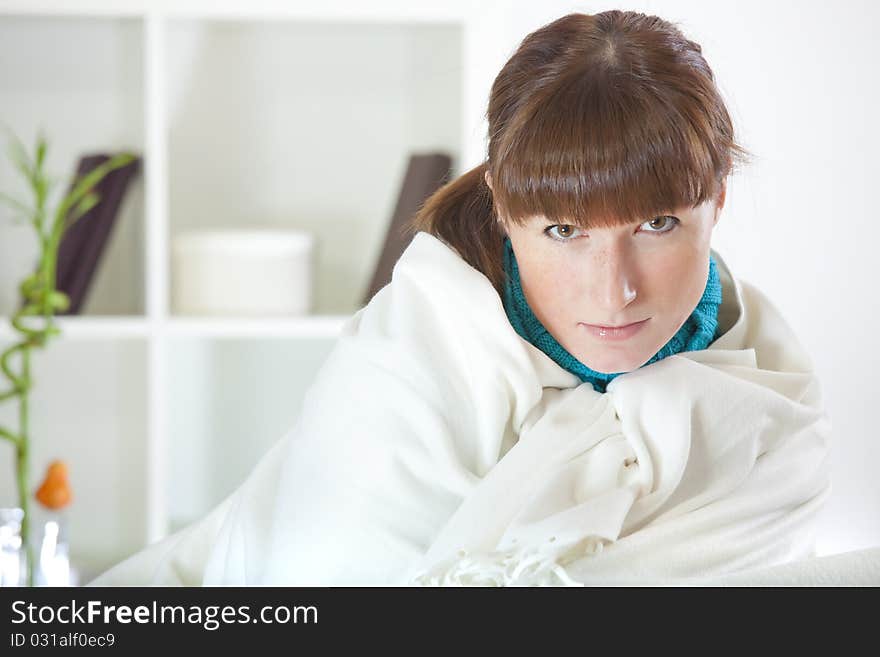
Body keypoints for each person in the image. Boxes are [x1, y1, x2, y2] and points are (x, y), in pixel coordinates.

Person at [89, 10, 831, 587]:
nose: (615, 290)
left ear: (718, 203)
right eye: (566, 230)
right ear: (506, 212)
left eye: (657, 224)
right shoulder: (409, 360)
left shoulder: (773, 406)